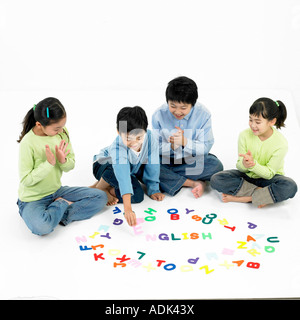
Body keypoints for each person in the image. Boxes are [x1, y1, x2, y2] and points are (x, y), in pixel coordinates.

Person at [17, 97, 107, 236]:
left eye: (62, 126)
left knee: (100, 197)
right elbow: (26, 180)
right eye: (56, 128)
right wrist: (49, 164)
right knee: (41, 228)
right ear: (39, 124)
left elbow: (70, 166)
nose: (61, 131)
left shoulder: (62, 133)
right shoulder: (28, 143)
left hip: (56, 191)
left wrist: (62, 160)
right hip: (32, 199)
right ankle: (60, 206)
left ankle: (55, 214)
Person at [210, 97, 298, 207]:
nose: (253, 125)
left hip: (269, 179)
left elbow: (269, 174)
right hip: (248, 177)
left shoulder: (281, 143)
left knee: (290, 186)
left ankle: (246, 198)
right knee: (216, 179)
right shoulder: (244, 135)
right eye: (250, 120)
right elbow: (240, 166)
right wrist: (244, 164)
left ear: (272, 121)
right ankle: (263, 196)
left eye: (258, 122)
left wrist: (253, 165)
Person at [91, 106, 165, 227]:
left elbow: (153, 165)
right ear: (118, 133)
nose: (134, 143)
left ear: (145, 131)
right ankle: (100, 187)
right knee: (116, 170)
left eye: (139, 138)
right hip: (104, 165)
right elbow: (123, 174)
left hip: (129, 169)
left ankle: (103, 188)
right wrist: (128, 209)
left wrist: (153, 189)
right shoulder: (117, 146)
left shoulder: (151, 138)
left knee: (138, 195)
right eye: (128, 139)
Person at [152, 76, 223, 198]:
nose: (178, 112)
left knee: (216, 166)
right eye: (173, 106)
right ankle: (193, 182)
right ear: (167, 101)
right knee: (145, 164)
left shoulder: (203, 114)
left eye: (183, 108)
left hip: (191, 160)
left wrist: (185, 142)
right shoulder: (159, 115)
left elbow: (205, 147)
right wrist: (172, 146)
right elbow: (154, 147)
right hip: (166, 160)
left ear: (192, 104)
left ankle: (167, 178)